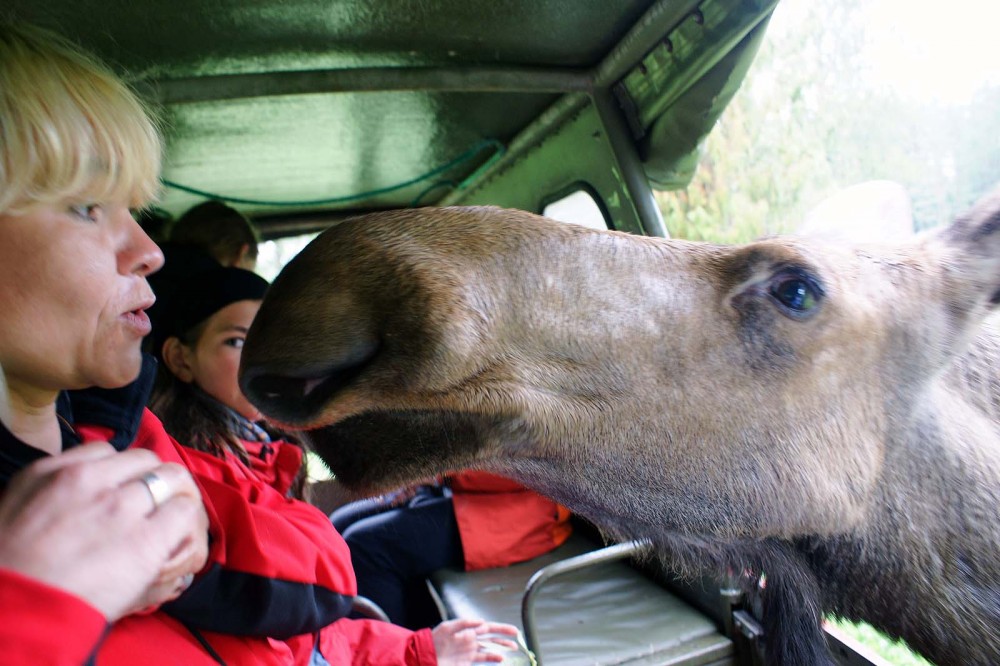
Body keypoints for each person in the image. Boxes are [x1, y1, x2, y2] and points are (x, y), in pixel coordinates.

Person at [0, 21, 516, 665]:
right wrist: (36, 606)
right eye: (86, 207)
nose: (149, 252)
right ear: (181, 359)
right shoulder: (156, 446)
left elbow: (305, 604)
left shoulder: (130, 441)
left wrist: (412, 648)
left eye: (133, 211)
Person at [332, 472, 573, 629]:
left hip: (523, 509)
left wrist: (434, 472)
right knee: (338, 526)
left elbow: (526, 467)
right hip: (459, 486)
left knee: (368, 546)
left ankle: (389, 655)